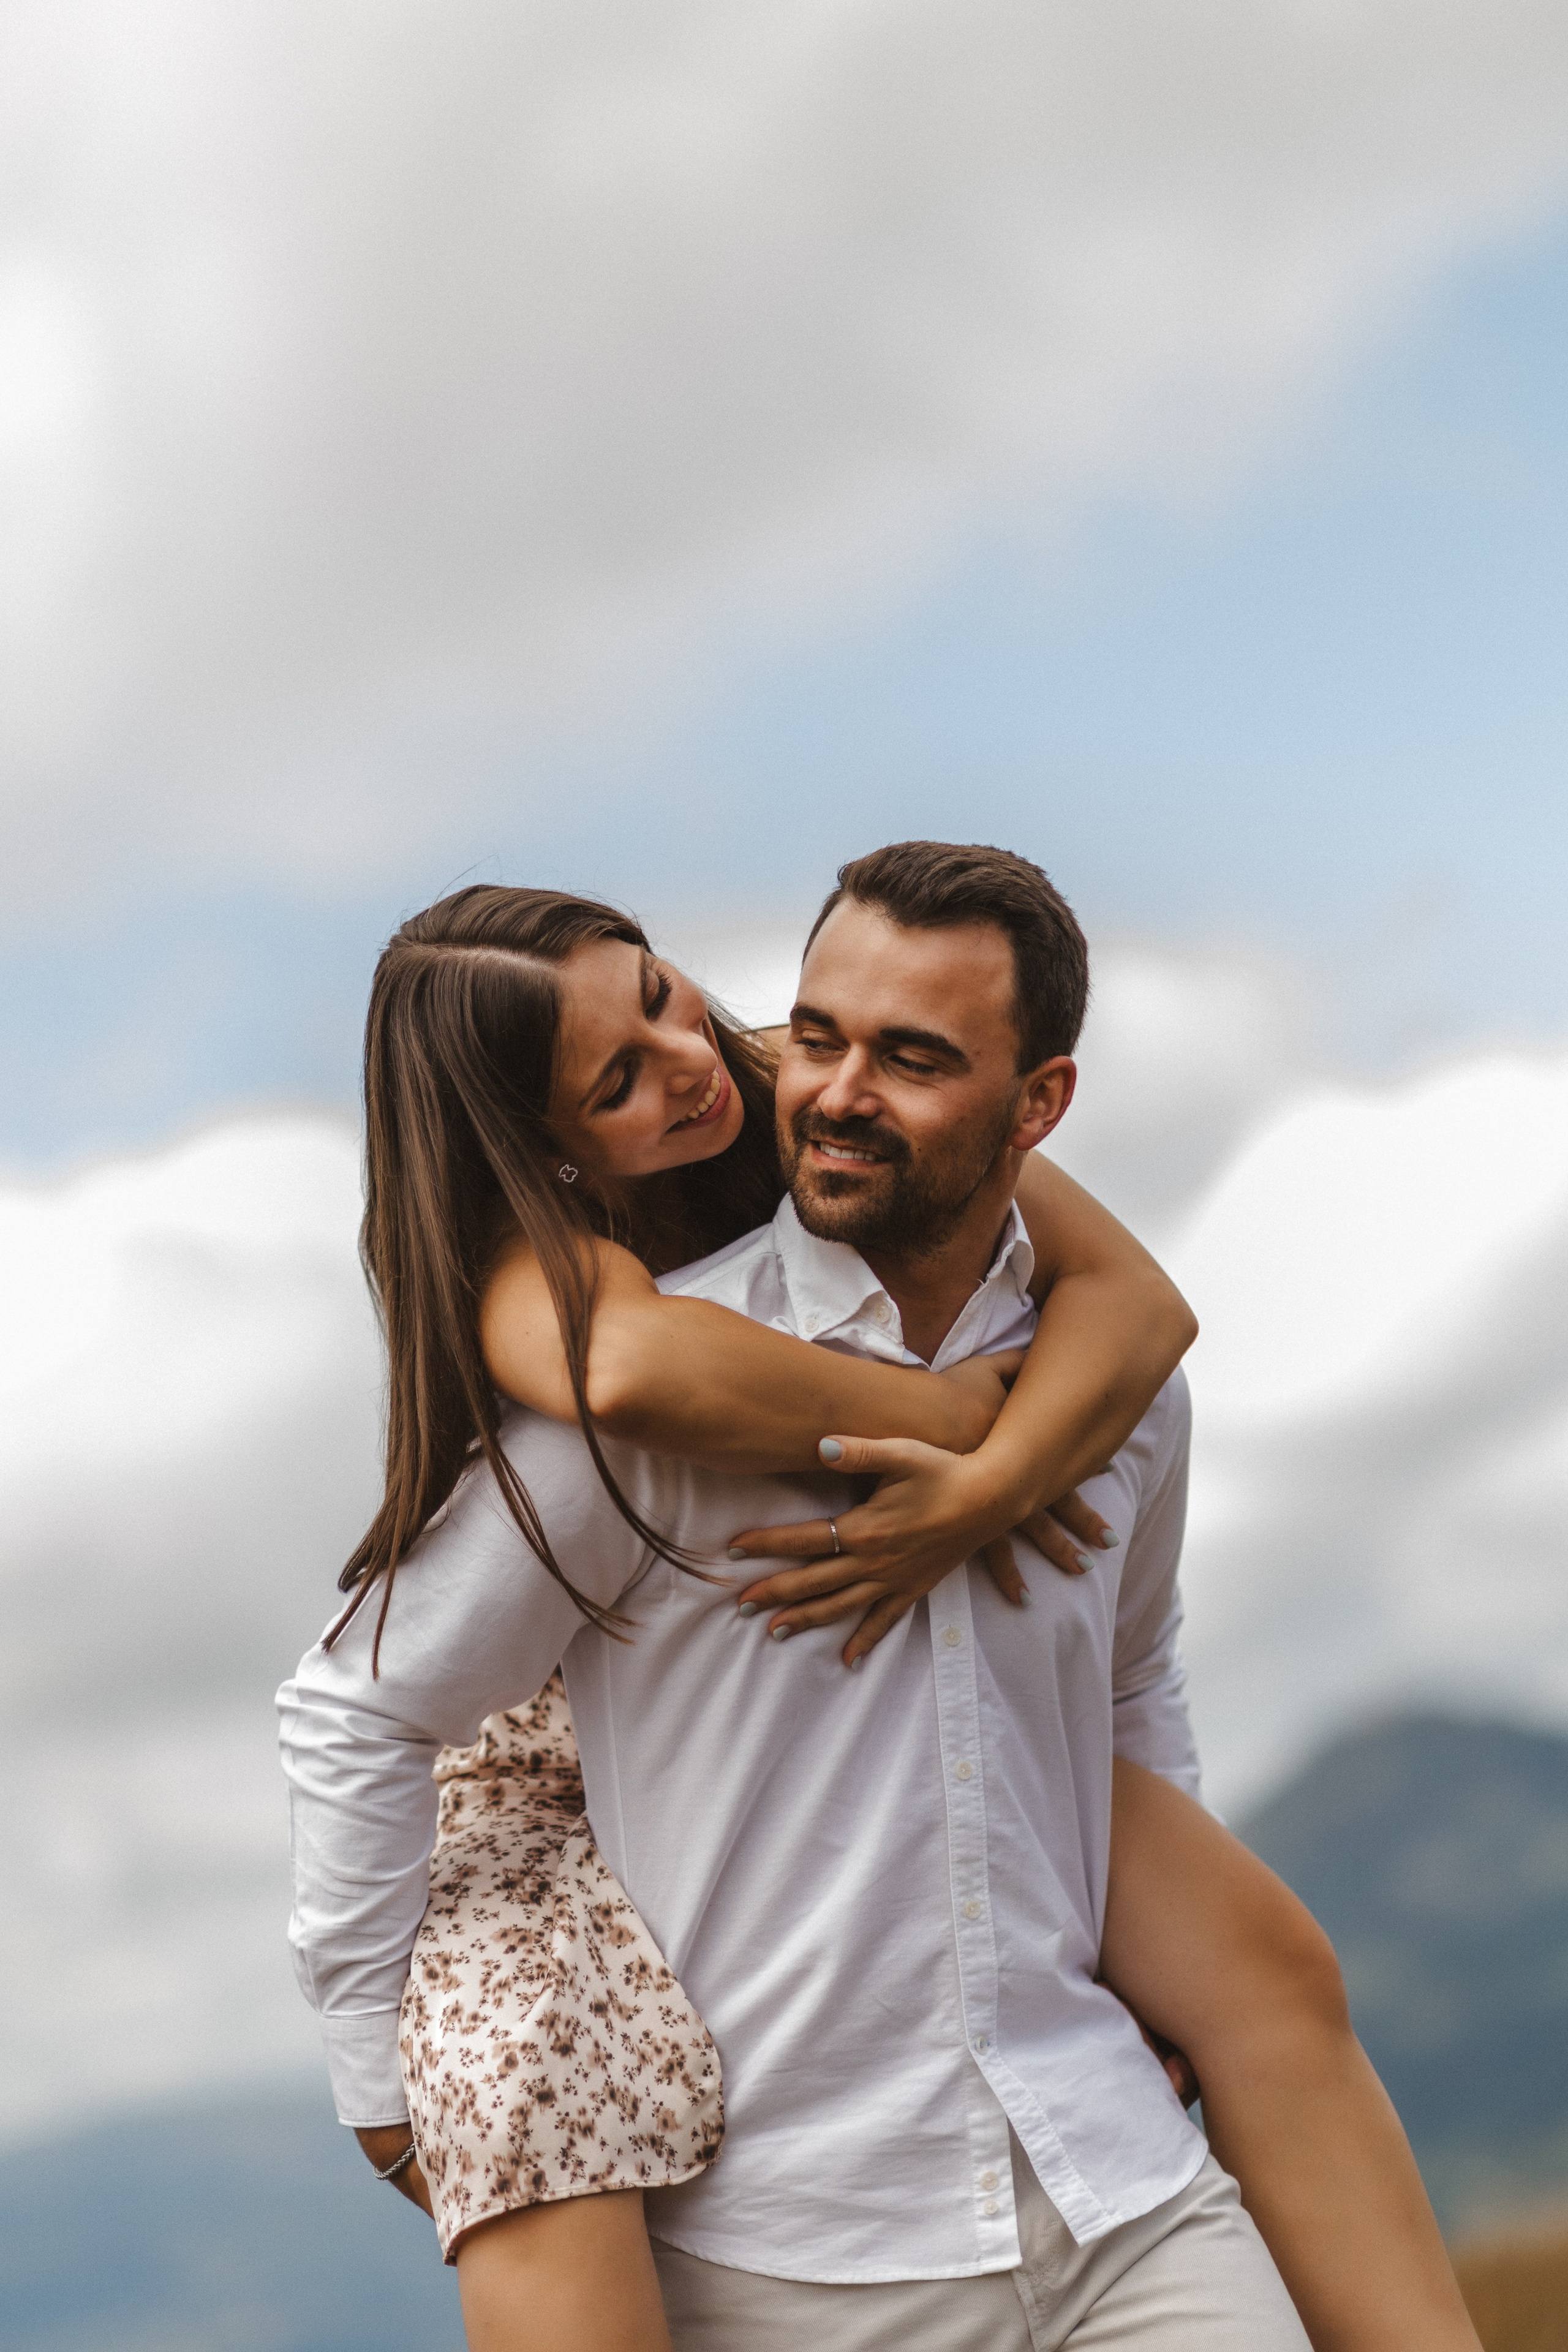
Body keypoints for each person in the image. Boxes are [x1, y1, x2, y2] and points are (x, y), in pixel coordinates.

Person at [280, 845, 1479, 2351]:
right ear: (555, 1147)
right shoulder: (618, 1396)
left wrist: (1000, 1473)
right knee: (517, 2091)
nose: (721, 1070)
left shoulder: (1102, 1390)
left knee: (1276, 1972)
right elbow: (359, 1698)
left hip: (1118, 2192)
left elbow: (1123, 1683)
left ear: (1034, 1102)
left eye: (671, 1004)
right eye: (615, 1083)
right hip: (803, 2250)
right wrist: (377, 2091)